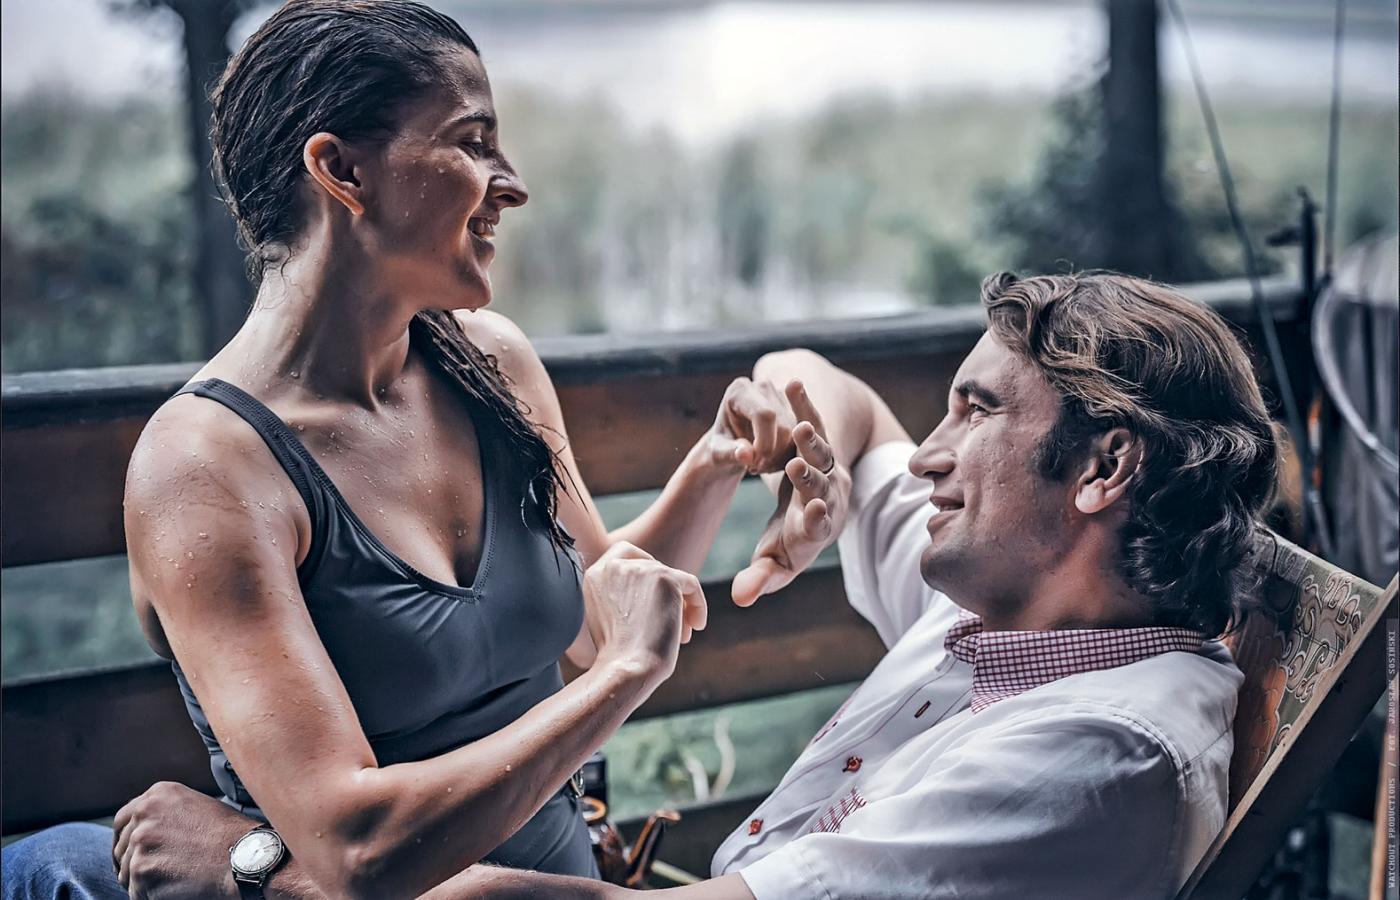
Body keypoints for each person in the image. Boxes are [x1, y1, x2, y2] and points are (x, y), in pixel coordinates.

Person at [1, 1, 782, 898]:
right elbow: (358, 850)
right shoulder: (208, 470)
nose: (512, 184)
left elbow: (594, 620)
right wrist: (626, 675)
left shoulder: (491, 365)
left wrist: (716, 464)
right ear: (341, 171)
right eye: (473, 142)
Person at [415, 270, 1282, 898]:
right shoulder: (1029, 610)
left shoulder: (1098, 756)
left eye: (977, 410)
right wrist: (814, 478)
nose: (928, 455)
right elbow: (833, 389)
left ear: (1104, 467)